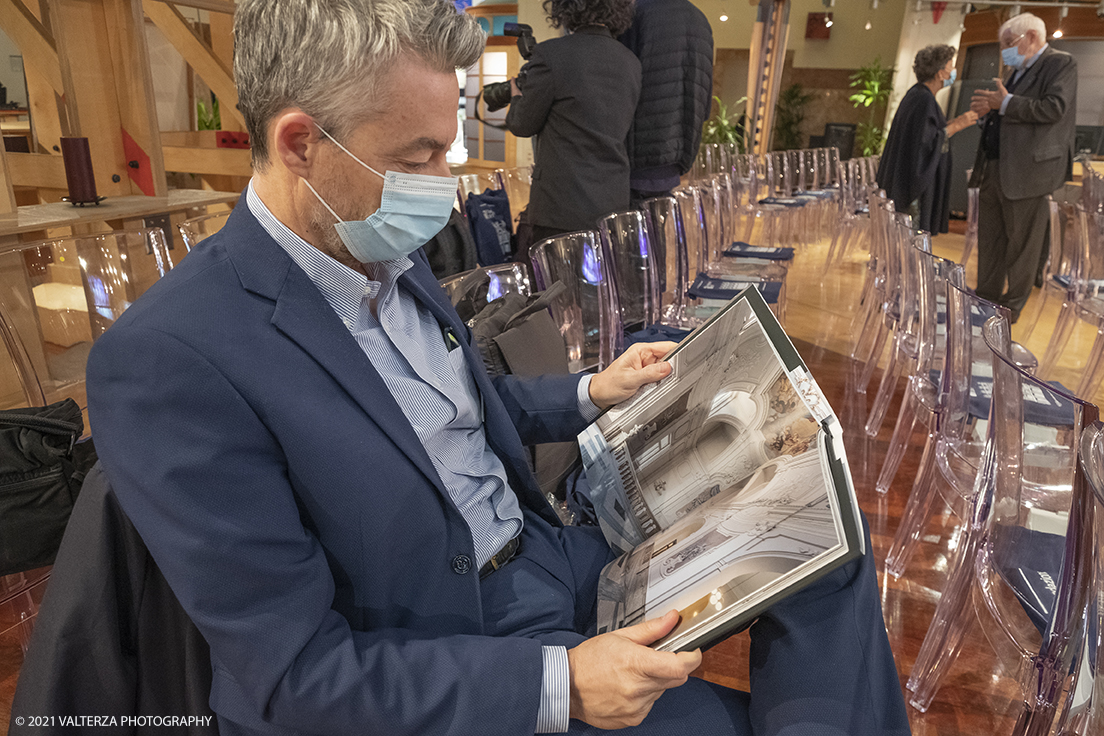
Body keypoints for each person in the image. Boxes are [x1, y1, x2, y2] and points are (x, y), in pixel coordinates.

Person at [86, 1, 912, 734]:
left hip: (547, 557)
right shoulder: (175, 359)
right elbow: (298, 676)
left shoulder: (378, 248)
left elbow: (450, 418)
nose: (443, 189)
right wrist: (561, 685)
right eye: (418, 158)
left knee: (818, 531)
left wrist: (593, 391)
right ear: (301, 143)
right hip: (453, 646)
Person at [969, 12, 1077, 322]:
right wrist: (988, 112)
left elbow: (1054, 107)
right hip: (995, 167)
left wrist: (1002, 104)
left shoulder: (1061, 63)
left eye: (1008, 43)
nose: (1005, 51)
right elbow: (1008, 110)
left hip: (1029, 172)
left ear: (1030, 37)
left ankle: (1010, 308)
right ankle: (985, 298)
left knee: (1022, 246)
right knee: (991, 239)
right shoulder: (1018, 69)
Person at [505, 0, 641, 244]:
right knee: (602, 281)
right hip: (613, 200)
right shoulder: (630, 61)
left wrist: (516, 97)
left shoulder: (550, 55)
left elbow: (522, 125)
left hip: (561, 205)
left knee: (557, 282)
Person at [617, 0, 714, 206]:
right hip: (675, 160)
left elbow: (618, 88)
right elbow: (704, 105)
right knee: (654, 234)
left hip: (633, 162)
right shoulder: (701, 20)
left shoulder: (635, 15)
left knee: (625, 235)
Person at [876, 45, 977, 235]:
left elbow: (923, 134)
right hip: (911, 190)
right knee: (910, 243)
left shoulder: (917, 95)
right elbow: (924, 144)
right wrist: (956, 126)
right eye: (950, 67)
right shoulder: (924, 100)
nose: (953, 72)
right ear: (940, 74)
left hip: (902, 180)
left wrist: (949, 126)